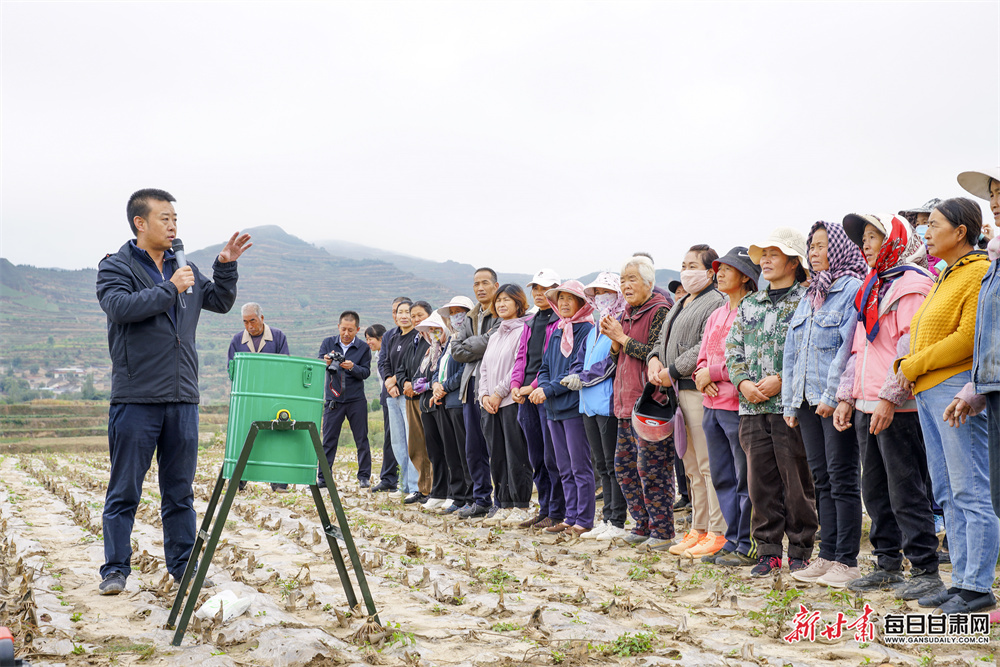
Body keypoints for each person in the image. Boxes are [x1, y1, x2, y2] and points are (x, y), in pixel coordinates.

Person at [96, 188, 250, 595]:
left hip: (182, 397)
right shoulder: (116, 266)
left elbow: (219, 301)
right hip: (136, 398)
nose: (172, 226)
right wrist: (171, 288)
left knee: (180, 492)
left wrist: (224, 266)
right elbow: (120, 308)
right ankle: (115, 569)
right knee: (124, 490)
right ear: (140, 223)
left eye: (175, 219)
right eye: (164, 218)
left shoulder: (185, 267)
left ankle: (183, 567)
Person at [894, 198, 998, 614]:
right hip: (929, 390)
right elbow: (925, 331)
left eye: (934, 225)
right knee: (947, 491)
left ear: (960, 232)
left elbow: (968, 337)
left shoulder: (977, 271)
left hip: (955, 389)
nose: (926, 232)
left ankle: (977, 586)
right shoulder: (945, 274)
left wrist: (913, 364)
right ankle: (961, 581)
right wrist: (910, 366)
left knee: (970, 489)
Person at [834, 213, 940, 598]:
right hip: (867, 403)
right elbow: (859, 349)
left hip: (899, 406)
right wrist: (846, 396)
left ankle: (925, 568)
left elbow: (910, 347)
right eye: (862, 237)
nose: (865, 243)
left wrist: (889, 398)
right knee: (875, 488)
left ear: (895, 239)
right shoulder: (873, 286)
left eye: (873, 235)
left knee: (906, 488)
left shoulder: (913, 286)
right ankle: (887, 564)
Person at [725, 227, 817, 577]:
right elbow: (733, 348)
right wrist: (743, 382)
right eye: (763, 254)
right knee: (760, 483)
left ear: (793, 262)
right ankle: (768, 551)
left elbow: (809, 348)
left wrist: (782, 379)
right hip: (751, 408)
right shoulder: (750, 303)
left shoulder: (807, 300)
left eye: (773, 254)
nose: (765, 260)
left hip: (790, 407)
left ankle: (801, 550)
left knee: (796, 482)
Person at [782, 222, 867, 588]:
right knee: (822, 479)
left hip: (831, 400)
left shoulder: (851, 288)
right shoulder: (811, 293)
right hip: (805, 399)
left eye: (821, 245)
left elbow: (848, 347)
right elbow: (792, 351)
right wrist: (790, 402)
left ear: (840, 248)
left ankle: (847, 560)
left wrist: (833, 396)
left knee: (842, 477)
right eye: (811, 246)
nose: (813, 253)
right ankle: (828, 555)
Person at [648, 245, 726, 558]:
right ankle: (698, 527)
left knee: (708, 464)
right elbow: (661, 339)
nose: (686, 271)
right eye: (683, 264)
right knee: (690, 464)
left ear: (710, 271)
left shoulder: (715, 301)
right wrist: (654, 359)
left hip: (695, 389)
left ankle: (717, 530)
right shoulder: (681, 302)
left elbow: (703, 346)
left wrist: (672, 370)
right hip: (676, 390)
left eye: (693, 265)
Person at [602, 255, 674, 549]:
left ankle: (662, 531)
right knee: (625, 468)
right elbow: (617, 359)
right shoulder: (625, 314)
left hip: (649, 403)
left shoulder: (660, 310)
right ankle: (642, 525)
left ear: (648, 282)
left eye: (632, 279)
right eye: (623, 280)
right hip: (624, 405)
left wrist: (622, 338)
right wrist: (615, 342)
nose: (626, 285)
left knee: (652, 469)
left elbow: (655, 354)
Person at [695, 247, 760, 566]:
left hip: (738, 406)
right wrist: (701, 376)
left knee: (744, 477)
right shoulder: (716, 314)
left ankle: (747, 542)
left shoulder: (753, 310)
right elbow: (702, 357)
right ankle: (732, 539)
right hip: (711, 406)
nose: (719, 273)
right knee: (722, 476)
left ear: (745, 277)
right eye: (718, 269)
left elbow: (751, 358)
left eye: (727, 269)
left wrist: (714, 373)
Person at [948, 168, 1000, 519]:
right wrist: (974, 389)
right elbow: (990, 334)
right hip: (993, 390)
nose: (994, 202)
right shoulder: (994, 261)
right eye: (992, 194)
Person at [564, 272, 628, 542]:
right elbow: (579, 360)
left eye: (606, 292)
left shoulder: (619, 325)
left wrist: (584, 378)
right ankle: (607, 518)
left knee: (613, 464)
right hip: (588, 404)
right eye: (597, 293)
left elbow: (612, 362)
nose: (601, 298)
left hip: (607, 403)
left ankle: (617, 520)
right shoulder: (593, 330)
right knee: (601, 464)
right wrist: (576, 375)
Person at [531, 280, 596, 536]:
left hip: (573, 406)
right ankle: (570, 517)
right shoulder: (558, 329)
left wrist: (547, 389)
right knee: (563, 467)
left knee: (580, 466)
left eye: (570, 298)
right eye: (561, 298)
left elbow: (575, 370)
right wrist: (544, 387)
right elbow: (545, 366)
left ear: (581, 303)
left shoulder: (586, 330)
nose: (565, 303)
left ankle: (584, 520)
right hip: (553, 409)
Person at [509, 269, 565, 530]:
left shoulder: (560, 322)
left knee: (552, 457)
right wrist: (515, 385)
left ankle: (557, 510)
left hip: (544, 393)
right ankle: (544, 509)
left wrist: (531, 387)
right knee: (536, 457)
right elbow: (521, 357)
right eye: (536, 289)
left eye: (545, 288)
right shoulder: (530, 322)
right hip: (525, 396)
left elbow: (551, 363)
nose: (540, 293)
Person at [479, 284, 534, 526]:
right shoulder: (495, 334)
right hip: (490, 404)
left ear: (518, 303)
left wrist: (498, 393)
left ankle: (520, 504)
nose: (501, 304)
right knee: (498, 455)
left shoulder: (524, 330)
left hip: (510, 400)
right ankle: (503, 503)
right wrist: (484, 395)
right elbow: (484, 368)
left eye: (507, 300)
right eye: (498, 300)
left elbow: (517, 366)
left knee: (516, 453)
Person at [451, 270, 502, 519]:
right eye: (475, 284)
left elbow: (491, 344)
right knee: (473, 447)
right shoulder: (471, 316)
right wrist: (479, 343)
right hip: (469, 387)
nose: (480, 288)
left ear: (496, 285)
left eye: (485, 283)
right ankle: (481, 499)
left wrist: (472, 344)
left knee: (495, 446)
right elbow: (455, 350)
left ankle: (502, 501)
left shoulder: (501, 313)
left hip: (491, 387)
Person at [228, 302, 292, 492]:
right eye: (245, 322)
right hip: (248, 397)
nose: (249, 326)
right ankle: (238, 481)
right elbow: (232, 370)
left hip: (274, 397)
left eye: (252, 321)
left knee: (275, 436)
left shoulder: (278, 337)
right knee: (243, 436)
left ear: (262, 318)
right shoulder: (237, 340)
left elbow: (285, 366)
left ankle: (278, 482)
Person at [414, 312, 473, 512]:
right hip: (431, 402)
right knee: (439, 451)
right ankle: (444, 493)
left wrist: (439, 386)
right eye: (429, 330)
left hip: (448, 401)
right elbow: (424, 374)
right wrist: (429, 385)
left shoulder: (452, 345)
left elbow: (457, 372)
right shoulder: (431, 351)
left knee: (456, 450)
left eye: (436, 329)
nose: (433, 333)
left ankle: (459, 494)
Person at [317, 311, 373, 488]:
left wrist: (352, 367)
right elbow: (318, 364)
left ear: (357, 329)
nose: (346, 333)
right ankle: (323, 477)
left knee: (361, 439)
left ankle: (364, 476)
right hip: (333, 399)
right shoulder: (328, 343)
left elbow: (366, 372)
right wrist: (325, 362)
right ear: (338, 327)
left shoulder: (363, 348)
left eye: (350, 330)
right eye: (343, 329)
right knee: (328, 439)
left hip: (356, 400)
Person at [383, 299, 420, 499]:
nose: (404, 316)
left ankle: (415, 486)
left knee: (411, 441)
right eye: (400, 312)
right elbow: (386, 363)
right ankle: (404, 485)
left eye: (408, 312)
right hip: (392, 395)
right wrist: (389, 382)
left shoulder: (416, 337)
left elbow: (410, 365)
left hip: (408, 395)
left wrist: (395, 380)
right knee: (398, 442)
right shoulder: (393, 338)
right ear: (395, 315)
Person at [399, 301, 434, 503]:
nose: (415, 319)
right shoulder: (414, 340)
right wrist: (404, 382)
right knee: (416, 445)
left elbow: (432, 369)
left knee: (430, 444)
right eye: (413, 316)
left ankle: (435, 489)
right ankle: (423, 488)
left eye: (420, 315)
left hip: (426, 398)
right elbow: (401, 368)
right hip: (410, 398)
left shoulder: (434, 339)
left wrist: (415, 385)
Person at [366, 323, 399, 494]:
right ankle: (389, 478)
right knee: (389, 438)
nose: (368, 343)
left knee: (395, 438)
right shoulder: (379, 355)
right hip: (386, 397)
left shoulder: (390, 351)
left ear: (381, 338)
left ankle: (391, 478)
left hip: (395, 396)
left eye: (370, 339)